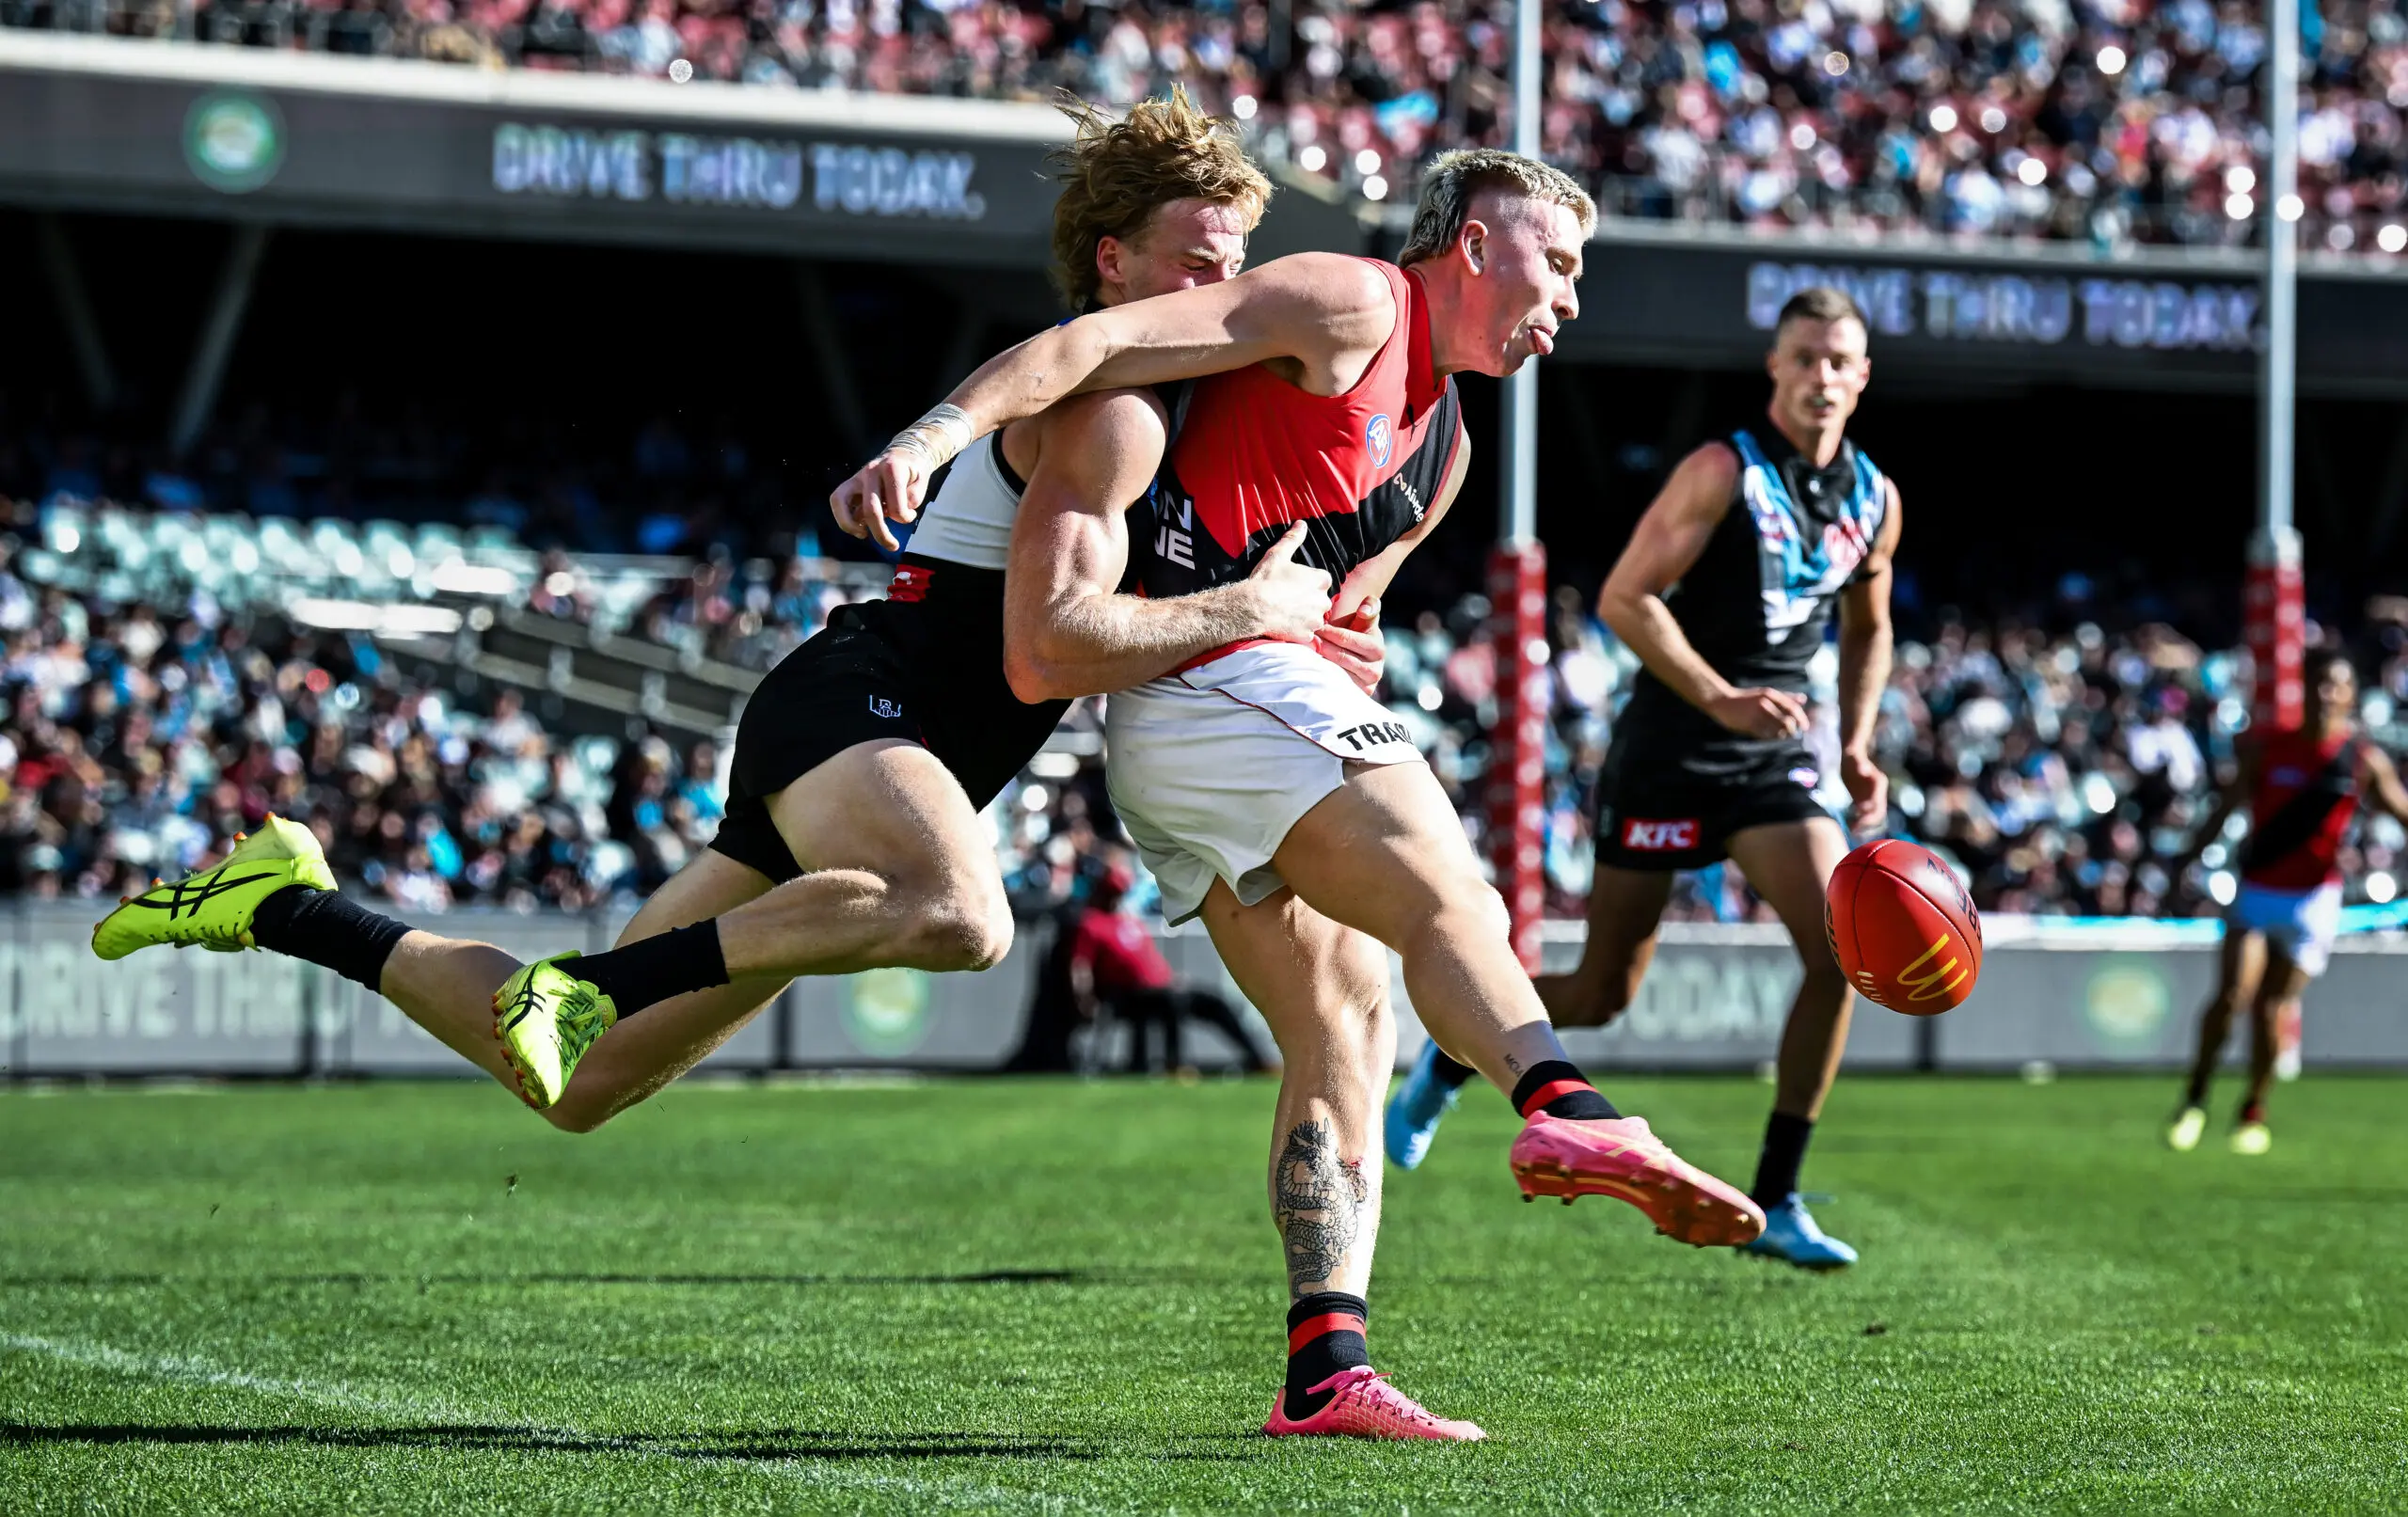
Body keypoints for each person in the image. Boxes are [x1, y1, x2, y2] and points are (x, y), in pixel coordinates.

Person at [87, 90, 1359, 1130]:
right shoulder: (1115, 408)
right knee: (963, 915)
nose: (1223, 287)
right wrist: (1252, 608)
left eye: (1236, 262)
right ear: (1115, 262)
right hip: (863, 713)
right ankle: (590, 984)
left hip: (887, 751)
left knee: (573, 1083)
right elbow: (1049, 655)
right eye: (1199, 261)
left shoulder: (1175, 412)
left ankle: (284, 902)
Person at [878, 146, 1766, 1443]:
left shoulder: (1445, 444)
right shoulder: (1352, 302)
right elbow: (1094, 344)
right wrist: (932, 435)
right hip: (1206, 685)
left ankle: (1326, 1369)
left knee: (1348, 1018)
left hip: (1210, 720)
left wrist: (1360, 637)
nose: (1571, 298)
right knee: (1443, 875)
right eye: (1559, 262)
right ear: (1473, 244)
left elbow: (1349, 610)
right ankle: (1565, 1109)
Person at [1384, 285, 1901, 1272]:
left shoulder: (1875, 498)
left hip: (1772, 756)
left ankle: (1778, 1195)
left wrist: (1858, 740)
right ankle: (1457, 1048)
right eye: (1803, 358)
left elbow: (1870, 626)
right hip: (1669, 744)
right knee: (1602, 988)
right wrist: (1718, 697)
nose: (1820, 377)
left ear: (1861, 374)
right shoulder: (1721, 470)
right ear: (1775, 369)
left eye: (1838, 361)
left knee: (1837, 950)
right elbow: (1625, 597)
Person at [2166, 652, 2408, 1154]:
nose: (2325, 694)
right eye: (2318, 683)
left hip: (2313, 902)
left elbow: (2401, 810)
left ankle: (2253, 1108)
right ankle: (2195, 1096)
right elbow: (2224, 807)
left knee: (2273, 1009)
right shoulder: (2269, 749)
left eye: (2335, 686)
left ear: (2350, 696)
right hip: (2257, 891)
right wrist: (2184, 862)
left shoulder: (2361, 761)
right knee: (2233, 995)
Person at [1069, 854, 1275, 1074]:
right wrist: (1085, 999)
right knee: (1171, 1001)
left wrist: (1170, 978)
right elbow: (1081, 966)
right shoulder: (1092, 924)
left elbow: (1149, 960)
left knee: (1215, 1003)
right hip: (1126, 995)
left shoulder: (1130, 921)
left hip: (1163, 988)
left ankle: (1257, 1059)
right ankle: (1174, 1064)